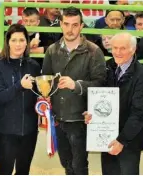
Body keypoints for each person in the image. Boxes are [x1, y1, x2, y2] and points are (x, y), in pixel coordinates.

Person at [42, 7, 106, 175]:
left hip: (81, 119)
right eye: (66, 24)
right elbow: (45, 80)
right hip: (58, 117)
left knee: (79, 166)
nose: (70, 29)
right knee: (66, 163)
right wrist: (45, 97)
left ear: (81, 26)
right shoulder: (52, 50)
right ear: (60, 24)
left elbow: (101, 84)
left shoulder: (94, 51)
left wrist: (76, 85)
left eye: (75, 25)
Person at [84, 32, 143, 175]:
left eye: (122, 48)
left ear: (133, 49)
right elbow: (99, 98)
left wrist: (122, 140)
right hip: (107, 138)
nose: (117, 52)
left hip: (129, 142)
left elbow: (140, 113)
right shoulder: (107, 67)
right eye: (115, 48)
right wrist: (91, 113)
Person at [0, 24, 41, 175]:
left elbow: (38, 96)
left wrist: (45, 99)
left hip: (29, 131)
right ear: (7, 42)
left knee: (23, 172)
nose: (18, 44)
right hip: (5, 132)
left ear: (27, 42)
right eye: (14, 40)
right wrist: (19, 85)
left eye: (21, 40)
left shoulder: (34, 66)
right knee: (4, 171)